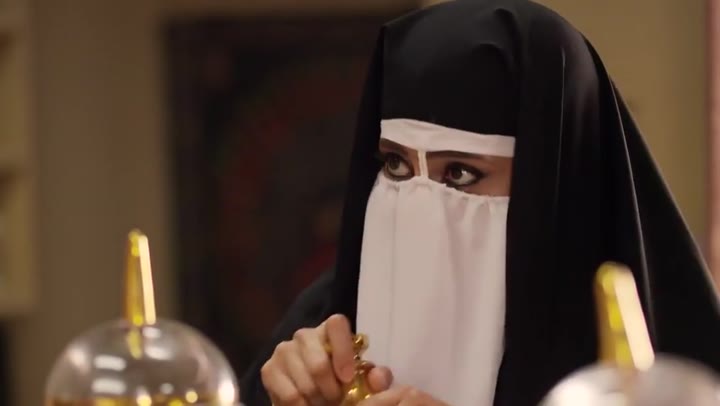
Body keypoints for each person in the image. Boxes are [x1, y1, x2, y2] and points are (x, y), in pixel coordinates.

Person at [240, 0, 720, 405]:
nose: (419, 207)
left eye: (460, 173)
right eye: (396, 166)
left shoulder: (647, 376)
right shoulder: (328, 317)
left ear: (552, 185)